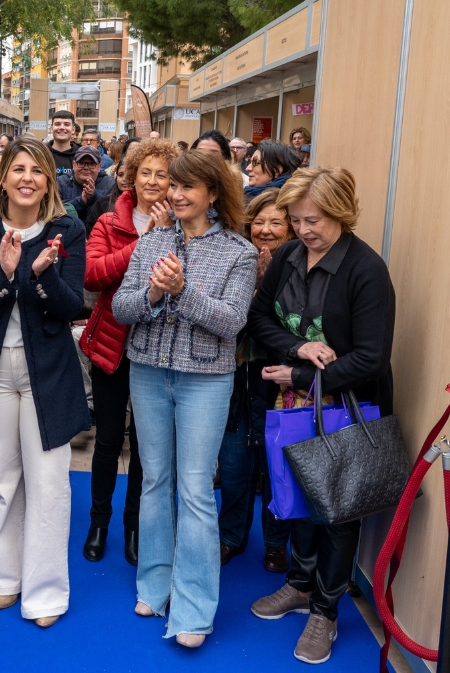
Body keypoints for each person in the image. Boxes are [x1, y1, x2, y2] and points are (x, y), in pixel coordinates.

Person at [246, 166, 394, 665]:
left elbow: (371, 357)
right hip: (293, 406)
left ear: (341, 213)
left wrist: (301, 377)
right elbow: (260, 318)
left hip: (342, 407)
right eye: (296, 219)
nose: (303, 229)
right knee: (296, 499)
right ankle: (300, 584)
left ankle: (325, 612)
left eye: (314, 220)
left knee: (335, 510)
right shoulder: (288, 255)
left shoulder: (366, 270)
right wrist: (298, 346)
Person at [111, 150, 256, 649]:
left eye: (186, 187)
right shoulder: (151, 242)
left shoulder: (240, 252)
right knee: (154, 481)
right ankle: (153, 584)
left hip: (205, 382)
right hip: (148, 374)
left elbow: (232, 322)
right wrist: (153, 294)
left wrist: (183, 290)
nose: (174, 194)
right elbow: (121, 307)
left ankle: (193, 607)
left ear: (213, 194)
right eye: (173, 185)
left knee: (195, 490)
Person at [0, 139, 88, 628]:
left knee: (50, 482)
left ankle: (47, 593)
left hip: (47, 373)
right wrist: (4, 272)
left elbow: (73, 305)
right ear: (1, 176)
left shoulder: (66, 229)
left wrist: (39, 277)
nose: (27, 178)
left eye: (37, 170)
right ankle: (5, 579)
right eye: (18, 169)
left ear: (49, 179)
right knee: (0, 477)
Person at [79, 138, 181, 566]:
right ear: (131, 176)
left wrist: (165, 235)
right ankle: (98, 521)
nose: (154, 182)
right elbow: (92, 274)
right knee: (106, 441)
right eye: (146, 172)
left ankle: (134, 524)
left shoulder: (185, 224)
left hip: (158, 350)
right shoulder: (107, 221)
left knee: (145, 446)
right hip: (111, 346)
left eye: (163, 174)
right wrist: (144, 241)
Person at [217, 189, 293, 573]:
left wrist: (264, 289)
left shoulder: (299, 268)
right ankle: (231, 535)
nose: (265, 230)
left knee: (275, 465)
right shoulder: (237, 259)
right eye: (258, 222)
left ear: (291, 229)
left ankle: (276, 543)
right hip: (234, 378)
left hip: (279, 383)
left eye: (276, 223)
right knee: (232, 465)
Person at [56, 145, 115, 222]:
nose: (86, 167)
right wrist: (80, 202)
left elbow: (113, 213)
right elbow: (53, 211)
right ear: (74, 165)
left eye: (91, 164)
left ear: (99, 167)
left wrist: (94, 197)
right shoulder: (61, 182)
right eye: (81, 163)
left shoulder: (110, 184)